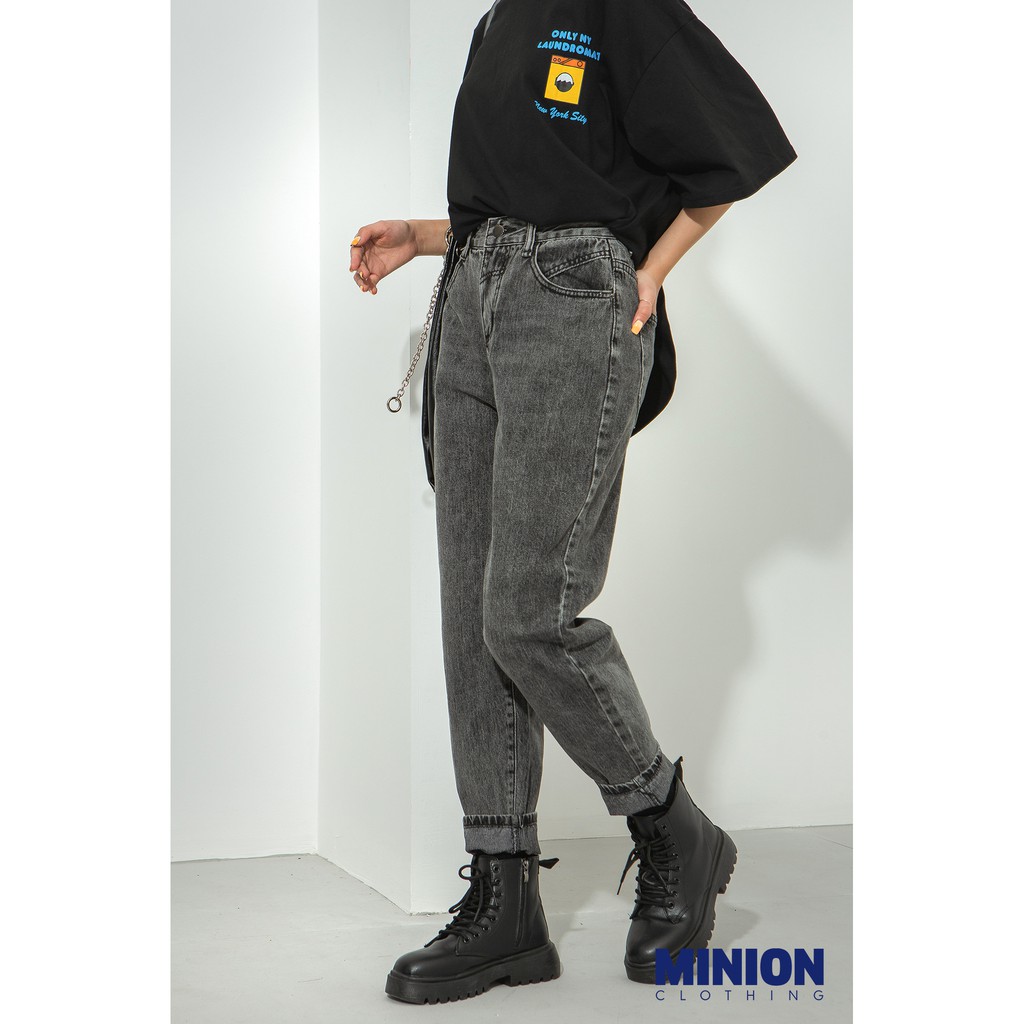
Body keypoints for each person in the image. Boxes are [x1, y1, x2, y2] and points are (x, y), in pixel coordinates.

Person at [349, 0, 798, 1004]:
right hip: (469, 298)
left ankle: (669, 821)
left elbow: (733, 151)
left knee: (528, 613)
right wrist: (421, 237)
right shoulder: (497, 19)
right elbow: (535, 185)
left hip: (570, 303)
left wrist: (650, 272)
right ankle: (504, 900)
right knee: (472, 616)